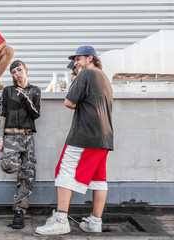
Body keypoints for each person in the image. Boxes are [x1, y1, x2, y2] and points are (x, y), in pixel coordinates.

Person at [36, 46, 113, 235]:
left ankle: (61, 219)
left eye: (78, 59)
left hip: (84, 135)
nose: (76, 63)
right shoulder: (105, 78)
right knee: (99, 179)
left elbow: (69, 102)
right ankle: (95, 222)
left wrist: (75, 82)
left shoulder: (86, 74)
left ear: (90, 58)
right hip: (104, 138)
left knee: (65, 171)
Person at [0, 60, 41, 229]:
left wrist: (26, 97)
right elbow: (2, 115)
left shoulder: (34, 90)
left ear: (26, 70)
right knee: (8, 165)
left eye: (19, 70)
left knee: (28, 173)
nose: (17, 73)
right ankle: (19, 206)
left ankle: (19, 211)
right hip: (11, 136)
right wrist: (0, 137)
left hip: (28, 136)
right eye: (14, 71)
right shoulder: (7, 91)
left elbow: (36, 114)